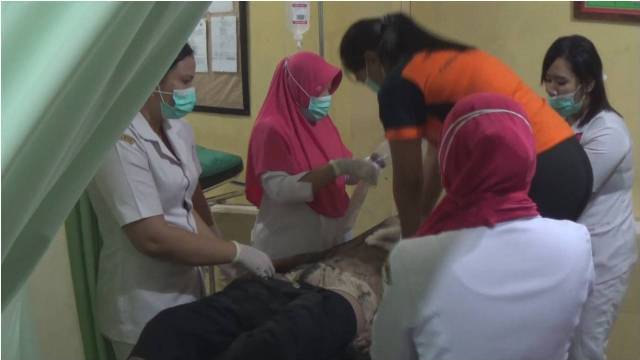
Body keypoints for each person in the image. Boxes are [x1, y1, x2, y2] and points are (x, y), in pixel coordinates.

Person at [371, 93, 595, 360]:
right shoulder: (575, 243)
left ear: (450, 161)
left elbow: (388, 354)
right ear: (527, 157)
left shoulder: (412, 259)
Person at [87, 44, 274, 359]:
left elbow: (186, 201)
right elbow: (152, 238)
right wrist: (235, 251)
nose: (192, 91)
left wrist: (219, 247)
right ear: (152, 79)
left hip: (185, 292)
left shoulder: (178, 130)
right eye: (184, 82)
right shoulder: (119, 141)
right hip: (142, 305)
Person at [339, 13, 593, 237]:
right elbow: (438, 155)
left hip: (539, 168)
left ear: (372, 60)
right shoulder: (437, 59)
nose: (370, 86)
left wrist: (408, 245)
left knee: (507, 272)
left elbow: (408, 180)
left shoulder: (398, 85)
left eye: (364, 79)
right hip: (568, 160)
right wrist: (422, 224)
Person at [128, 217, 402, 360]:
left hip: (345, 296)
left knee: (278, 341)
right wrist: (240, 257)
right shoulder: (400, 227)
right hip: (281, 285)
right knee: (171, 328)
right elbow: (319, 253)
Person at [542, 35, 637, 360]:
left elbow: (565, 190)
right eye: (549, 80)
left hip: (603, 255)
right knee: (557, 345)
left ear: (588, 83)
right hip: (568, 252)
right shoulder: (559, 122)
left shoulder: (607, 131)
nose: (552, 90)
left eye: (562, 82)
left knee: (586, 348)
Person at [245, 51, 380, 260]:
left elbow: (345, 175)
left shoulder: (321, 123)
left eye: (328, 89)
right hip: (289, 245)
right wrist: (336, 168)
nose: (327, 96)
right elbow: (281, 190)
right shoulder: (271, 128)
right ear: (300, 88)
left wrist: (368, 164)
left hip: (330, 240)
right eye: (321, 89)